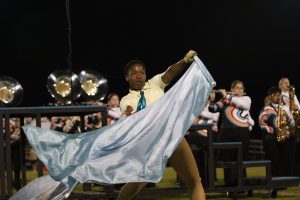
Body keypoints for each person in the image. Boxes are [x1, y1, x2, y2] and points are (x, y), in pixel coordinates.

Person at [117, 50, 206, 200]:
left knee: (194, 180)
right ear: (127, 77)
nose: (139, 75)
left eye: (142, 72)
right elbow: (128, 113)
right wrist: (128, 115)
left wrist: (184, 60)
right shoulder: (126, 99)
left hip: (172, 137)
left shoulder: (155, 83)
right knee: (136, 184)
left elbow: (170, 72)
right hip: (150, 145)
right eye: (134, 73)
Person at [209, 80, 253, 190]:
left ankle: (241, 185)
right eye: (237, 88)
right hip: (226, 133)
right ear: (232, 89)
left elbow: (244, 105)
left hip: (242, 133)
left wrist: (228, 96)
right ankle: (229, 186)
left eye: (241, 88)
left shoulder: (246, 99)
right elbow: (213, 109)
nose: (239, 90)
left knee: (240, 159)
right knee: (227, 159)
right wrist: (211, 100)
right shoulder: (224, 100)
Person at [259, 86, 295, 197]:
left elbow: (291, 122)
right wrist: (274, 130)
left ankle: (281, 183)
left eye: (278, 94)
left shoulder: (284, 107)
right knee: (272, 161)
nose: (277, 96)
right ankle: (271, 183)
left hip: (283, 138)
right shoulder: (266, 108)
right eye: (274, 94)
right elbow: (262, 123)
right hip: (271, 139)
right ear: (270, 96)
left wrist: (289, 122)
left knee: (283, 160)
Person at [278, 77, 300, 176]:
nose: (288, 84)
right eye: (285, 83)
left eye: (289, 83)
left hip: (294, 124)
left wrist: (297, 108)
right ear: (280, 85)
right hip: (284, 125)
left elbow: (299, 107)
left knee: (293, 151)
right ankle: (283, 174)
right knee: (284, 151)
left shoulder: (293, 95)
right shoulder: (279, 95)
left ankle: (293, 173)